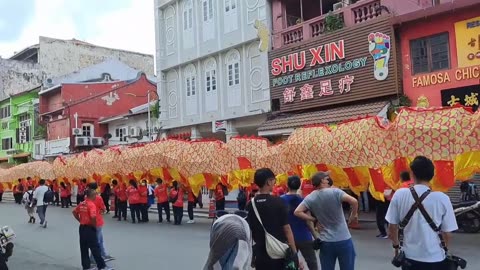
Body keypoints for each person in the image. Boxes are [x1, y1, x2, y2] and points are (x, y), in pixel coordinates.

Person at [386, 156, 458, 270]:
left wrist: (396, 247)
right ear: (432, 175)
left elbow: (392, 227)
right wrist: (444, 249)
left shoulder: (399, 195)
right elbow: (447, 234)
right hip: (436, 258)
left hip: (409, 258)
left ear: (412, 174)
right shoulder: (443, 198)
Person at [295, 171, 358, 270]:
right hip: (344, 239)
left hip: (326, 242)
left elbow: (297, 212)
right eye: (326, 178)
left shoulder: (311, 197)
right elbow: (354, 201)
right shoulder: (335, 192)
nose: (328, 179)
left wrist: (314, 219)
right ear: (322, 181)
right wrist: (353, 215)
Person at [246, 168, 297, 270]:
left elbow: (250, 229)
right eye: (274, 180)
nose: (274, 183)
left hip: (259, 253)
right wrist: (294, 252)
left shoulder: (250, 204)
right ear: (269, 182)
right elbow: (286, 228)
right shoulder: (279, 202)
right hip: (278, 252)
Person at [282, 176, 319, 270]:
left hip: (287, 239)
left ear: (287, 185)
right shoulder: (303, 201)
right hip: (304, 237)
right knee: (312, 264)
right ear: (299, 186)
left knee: (290, 264)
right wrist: (315, 236)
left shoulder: (280, 200)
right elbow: (308, 222)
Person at [72, 188, 111, 270]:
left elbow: (74, 212)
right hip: (90, 227)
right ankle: (102, 266)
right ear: (92, 195)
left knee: (83, 248)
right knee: (95, 247)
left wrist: (80, 220)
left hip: (82, 228)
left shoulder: (82, 203)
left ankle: (86, 266)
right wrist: (94, 226)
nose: (96, 196)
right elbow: (93, 217)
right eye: (95, 194)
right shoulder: (91, 205)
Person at [87, 183, 114, 264]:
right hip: (97, 221)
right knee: (97, 240)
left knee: (100, 239)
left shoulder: (87, 197)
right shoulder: (98, 198)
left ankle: (103, 254)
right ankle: (93, 258)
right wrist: (100, 211)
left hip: (90, 221)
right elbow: (103, 208)